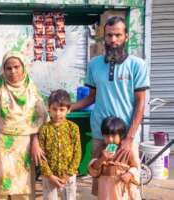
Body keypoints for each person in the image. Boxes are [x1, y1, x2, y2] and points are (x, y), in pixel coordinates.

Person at [71, 16, 149, 195]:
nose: (113, 40)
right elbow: (91, 97)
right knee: (101, 178)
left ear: (126, 37)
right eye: (109, 35)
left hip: (125, 136)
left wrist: (129, 138)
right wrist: (70, 107)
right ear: (103, 37)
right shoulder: (94, 65)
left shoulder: (137, 65)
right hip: (101, 134)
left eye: (118, 35)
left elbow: (141, 102)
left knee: (129, 181)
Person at [0, 51, 48, 200]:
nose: (12, 71)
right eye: (8, 68)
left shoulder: (31, 90)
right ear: (3, 69)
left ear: (23, 67)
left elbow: (36, 121)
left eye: (16, 67)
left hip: (24, 146)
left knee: (23, 190)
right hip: (0, 144)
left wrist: (35, 143)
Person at [39, 89, 81, 200]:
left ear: (69, 110)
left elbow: (77, 153)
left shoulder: (73, 128)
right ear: (49, 109)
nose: (58, 113)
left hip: (69, 177)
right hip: (49, 176)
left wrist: (68, 175)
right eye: (54, 109)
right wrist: (49, 175)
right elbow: (41, 156)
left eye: (62, 110)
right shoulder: (44, 129)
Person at [88, 116, 141, 200]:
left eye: (113, 136)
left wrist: (130, 174)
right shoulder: (101, 149)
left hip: (121, 188)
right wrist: (102, 159)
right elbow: (92, 169)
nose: (110, 140)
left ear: (121, 135)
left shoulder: (126, 151)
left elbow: (135, 167)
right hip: (105, 189)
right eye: (106, 136)